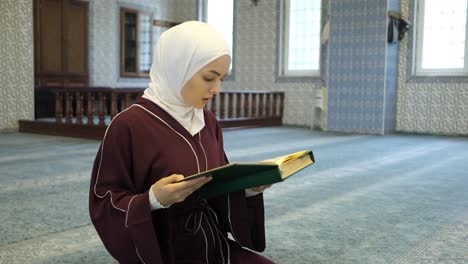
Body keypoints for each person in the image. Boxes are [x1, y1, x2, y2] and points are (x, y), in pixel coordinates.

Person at [89, 21, 274, 264]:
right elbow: (104, 201)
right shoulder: (128, 126)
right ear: (178, 69)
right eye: (209, 77)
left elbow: (216, 183)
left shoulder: (207, 121)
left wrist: (249, 188)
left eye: (222, 79)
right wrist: (152, 200)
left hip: (211, 244)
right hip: (161, 250)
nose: (217, 89)